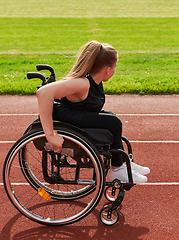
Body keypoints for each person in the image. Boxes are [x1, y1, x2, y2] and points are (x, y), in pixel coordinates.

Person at [36, 40, 150, 183]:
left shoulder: (95, 82)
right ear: (108, 69)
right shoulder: (83, 83)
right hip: (65, 116)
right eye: (115, 67)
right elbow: (43, 92)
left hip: (74, 114)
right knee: (114, 122)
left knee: (111, 117)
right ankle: (117, 170)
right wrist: (50, 134)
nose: (115, 70)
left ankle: (121, 164)